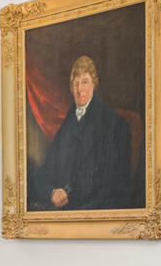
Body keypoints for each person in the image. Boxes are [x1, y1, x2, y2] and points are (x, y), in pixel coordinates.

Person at [34, 54, 138, 210]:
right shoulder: (66, 127)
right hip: (64, 208)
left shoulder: (114, 124)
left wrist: (68, 195)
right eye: (76, 84)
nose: (79, 89)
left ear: (94, 85)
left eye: (85, 82)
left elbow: (112, 181)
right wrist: (51, 192)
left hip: (95, 207)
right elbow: (48, 168)